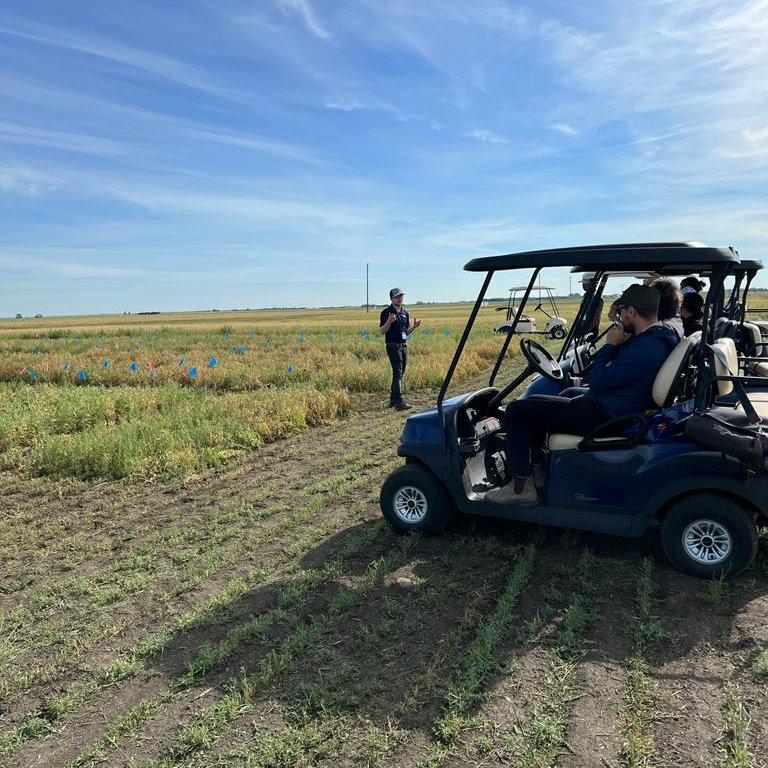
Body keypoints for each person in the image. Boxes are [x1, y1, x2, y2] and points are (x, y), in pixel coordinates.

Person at [486, 284, 678, 504]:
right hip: (616, 407)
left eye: (622, 311)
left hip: (606, 415)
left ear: (632, 312)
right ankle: (537, 472)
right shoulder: (655, 338)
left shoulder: (644, 347)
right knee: (535, 401)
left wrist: (610, 346)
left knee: (516, 411)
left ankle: (520, 489)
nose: (620, 317)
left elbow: (597, 382)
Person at [521, 273, 603, 398]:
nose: (583, 285)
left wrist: (585, 332)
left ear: (590, 283)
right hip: (581, 330)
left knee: (581, 355)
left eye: (584, 283)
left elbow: (595, 319)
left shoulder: (596, 299)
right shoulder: (587, 296)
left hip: (586, 333)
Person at [380, 288, 421, 410]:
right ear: (391, 299)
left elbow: (406, 332)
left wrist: (414, 327)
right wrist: (388, 322)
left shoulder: (405, 313)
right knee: (397, 372)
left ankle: (393, 399)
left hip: (404, 345)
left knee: (400, 373)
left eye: (401, 296)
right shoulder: (386, 312)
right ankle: (399, 401)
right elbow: (382, 331)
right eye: (397, 297)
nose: (400, 298)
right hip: (393, 345)